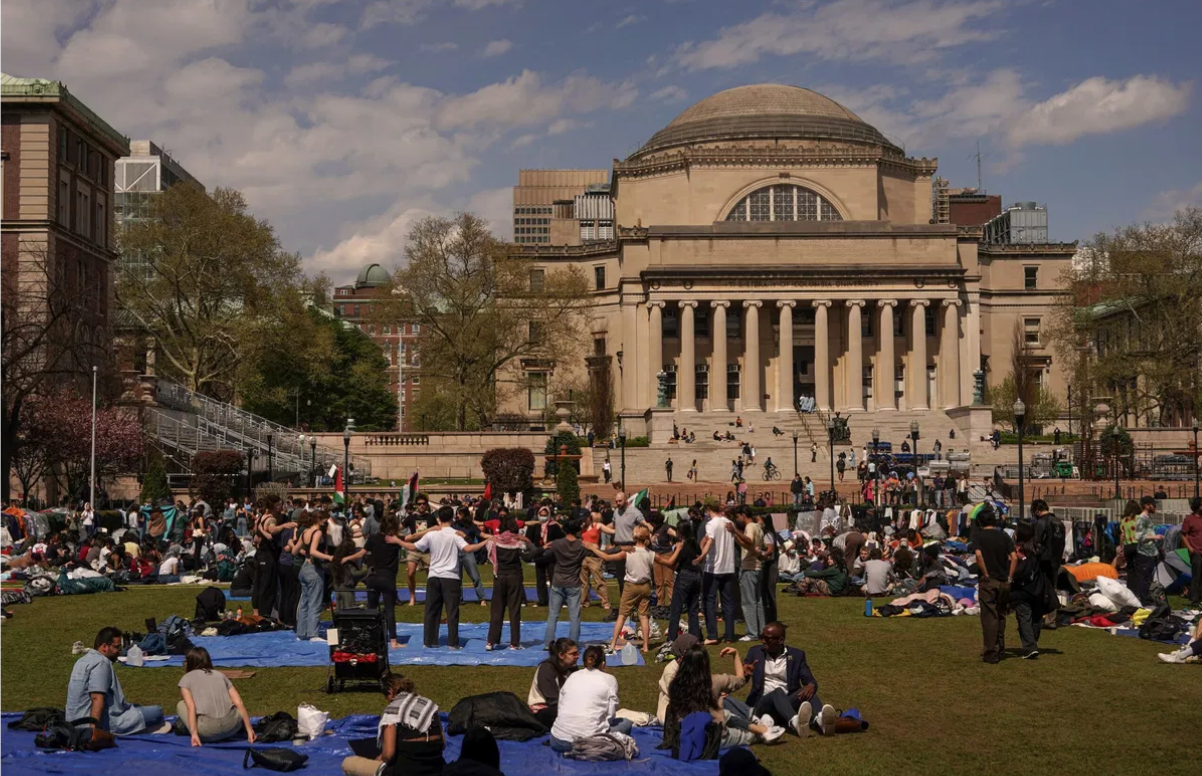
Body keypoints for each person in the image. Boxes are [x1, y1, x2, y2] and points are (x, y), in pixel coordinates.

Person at [661, 644, 784, 752]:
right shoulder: (714, 682)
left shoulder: (675, 685)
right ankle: (764, 731)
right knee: (746, 735)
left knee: (726, 713)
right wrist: (735, 654)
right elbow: (740, 680)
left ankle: (758, 724)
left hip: (684, 737)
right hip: (712, 739)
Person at [398, 507, 488, 649]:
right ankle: (453, 643)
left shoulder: (432, 534)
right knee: (452, 612)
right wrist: (484, 542)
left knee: (431, 611)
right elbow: (468, 549)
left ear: (439, 518)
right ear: (452, 518)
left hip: (434, 576)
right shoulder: (455, 534)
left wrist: (397, 541)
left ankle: (429, 641)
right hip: (451, 577)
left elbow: (413, 546)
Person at [68, 626, 166, 736]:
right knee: (157, 711)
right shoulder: (101, 663)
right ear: (104, 647)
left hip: (73, 723)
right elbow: (97, 698)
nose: (119, 651)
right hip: (102, 724)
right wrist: (93, 732)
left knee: (136, 707)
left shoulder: (81, 661)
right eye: (117, 647)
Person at [743, 622, 837, 736]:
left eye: (767, 639)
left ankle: (820, 720)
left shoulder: (797, 655)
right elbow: (743, 675)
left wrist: (811, 685)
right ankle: (795, 721)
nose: (763, 641)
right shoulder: (755, 652)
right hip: (763, 706)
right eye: (761, 637)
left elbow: (808, 678)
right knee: (777, 692)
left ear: (780, 640)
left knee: (808, 691)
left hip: (786, 704)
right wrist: (746, 675)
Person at [341, 673, 445, 776]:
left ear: (390, 691)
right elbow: (443, 743)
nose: (387, 700)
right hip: (435, 769)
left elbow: (389, 754)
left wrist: (380, 758)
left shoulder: (392, 711)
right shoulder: (429, 705)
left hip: (405, 771)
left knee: (348, 764)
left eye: (385, 695)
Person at [548, 645, 633, 753]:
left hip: (557, 740)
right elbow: (610, 715)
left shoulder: (573, 676)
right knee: (626, 723)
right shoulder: (610, 680)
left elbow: (561, 705)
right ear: (603, 664)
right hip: (589, 741)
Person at [591, 525, 656, 653]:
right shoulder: (650, 553)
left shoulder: (629, 552)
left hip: (631, 586)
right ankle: (646, 646)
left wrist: (592, 548)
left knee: (622, 615)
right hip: (646, 585)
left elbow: (607, 557)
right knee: (644, 616)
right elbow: (667, 561)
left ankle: (613, 643)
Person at [177, 647, 255, 745]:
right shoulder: (220, 675)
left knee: (181, 704)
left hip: (208, 732)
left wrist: (194, 734)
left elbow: (191, 706)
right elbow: (239, 702)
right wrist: (249, 729)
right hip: (232, 728)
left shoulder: (186, 679)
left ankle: (195, 729)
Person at [972, 504, 1016, 664]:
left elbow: (978, 555)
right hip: (1004, 580)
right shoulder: (1003, 536)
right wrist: (1010, 577)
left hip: (989, 581)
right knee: (1001, 615)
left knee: (989, 617)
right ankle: (1000, 647)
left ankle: (991, 651)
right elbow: (1014, 557)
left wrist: (985, 573)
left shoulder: (978, 536)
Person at [538, 517, 589, 649]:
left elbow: (545, 555)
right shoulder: (581, 545)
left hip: (558, 582)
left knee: (553, 615)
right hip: (573, 584)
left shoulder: (557, 544)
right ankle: (573, 644)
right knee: (574, 617)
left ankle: (548, 643)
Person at [485, 513, 532, 651]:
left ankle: (490, 641)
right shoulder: (518, 542)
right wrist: (527, 540)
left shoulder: (495, 540)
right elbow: (529, 553)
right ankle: (514, 643)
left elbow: (490, 556)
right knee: (514, 611)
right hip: (515, 577)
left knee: (496, 610)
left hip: (499, 577)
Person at [365, 511, 409, 650]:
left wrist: (345, 559)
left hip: (373, 577)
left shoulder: (373, 538)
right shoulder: (395, 541)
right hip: (388, 578)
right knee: (389, 610)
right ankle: (393, 641)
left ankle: (370, 639)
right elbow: (412, 540)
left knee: (371, 609)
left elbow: (361, 553)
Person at [697, 501, 737, 645]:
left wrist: (701, 556)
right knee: (728, 602)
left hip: (714, 568)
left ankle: (712, 635)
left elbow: (709, 541)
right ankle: (729, 635)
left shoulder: (711, 524)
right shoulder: (729, 523)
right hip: (728, 567)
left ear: (708, 510)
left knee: (709, 601)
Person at [1010, 521, 1047, 660]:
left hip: (1021, 589)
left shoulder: (1017, 550)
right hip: (1037, 587)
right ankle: (1033, 641)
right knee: (1036, 617)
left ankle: (1030, 647)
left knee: (1024, 617)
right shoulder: (1038, 549)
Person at [600, 491, 645, 597]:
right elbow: (614, 525)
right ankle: (624, 602)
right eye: (616, 501)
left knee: (633, 576)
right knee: (620, 577)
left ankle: (635, 602)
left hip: (632, 546)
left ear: (626, 500)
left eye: (620, 501)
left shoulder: (634, 512)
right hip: (619, 546)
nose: (618, 503)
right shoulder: (616, 512)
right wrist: (599, 528)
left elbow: (644, 524)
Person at [730, 510, 765, 642]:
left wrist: (735, 531)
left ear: (743, 515)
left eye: (738, 516)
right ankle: (761, 630)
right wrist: (735, 535)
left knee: (748, 603)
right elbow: (748, 545)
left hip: (749, 569)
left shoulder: (750, 527)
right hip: (756, 567)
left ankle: (752, 633)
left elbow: (748, 540)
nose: (738, 519)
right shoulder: (758, 527)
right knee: (757, 601)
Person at [528, 638, 579, 727]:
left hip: (563, 706)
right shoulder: (546, 669)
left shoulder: (572, 668)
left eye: (577, 653)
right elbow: (552, 699)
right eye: (573, 654)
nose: (577, 656)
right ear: (561, 655)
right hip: (543, 709)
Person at [453, 507, 487, 606]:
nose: (457, 516)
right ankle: (459, 598)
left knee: (475, 576)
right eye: (457, 514)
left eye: (459, 514)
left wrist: (492, 538)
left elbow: (478, 537)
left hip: (468, 552)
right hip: (456, 553)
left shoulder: (471, 526)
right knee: (457, 577)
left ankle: (482, 598)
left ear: (465, 514)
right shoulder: (454, 525)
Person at [1131, 496, 1161, 604]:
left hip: (1151, 552)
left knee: (1148, 577)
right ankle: (1143, 598)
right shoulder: (1141, 518)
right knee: (1143, 577)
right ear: (1147, 505)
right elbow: (1138, 536)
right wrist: (1155, 537)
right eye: (1153, 504)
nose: (1155, 507)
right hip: (1144, 553)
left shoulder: (1148, 518)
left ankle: (1147, 596)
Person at [579, 511, 611, 612]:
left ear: (590, 518)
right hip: (583, 557)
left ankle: (605, 602)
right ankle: (584, 601)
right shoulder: (582, 527)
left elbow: (611, 531)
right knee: (583, 582)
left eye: (586, 518)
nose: (584, 520)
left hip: (595, 558)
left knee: (599, 581)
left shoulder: (598, 525)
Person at [1182, 497, 1202, 608]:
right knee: (1197, 575)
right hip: (1195, 551)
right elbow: (1183, 534)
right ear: (1198, 506)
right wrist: (1190, 548)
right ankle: (1195, 599)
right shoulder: (1189, 519)